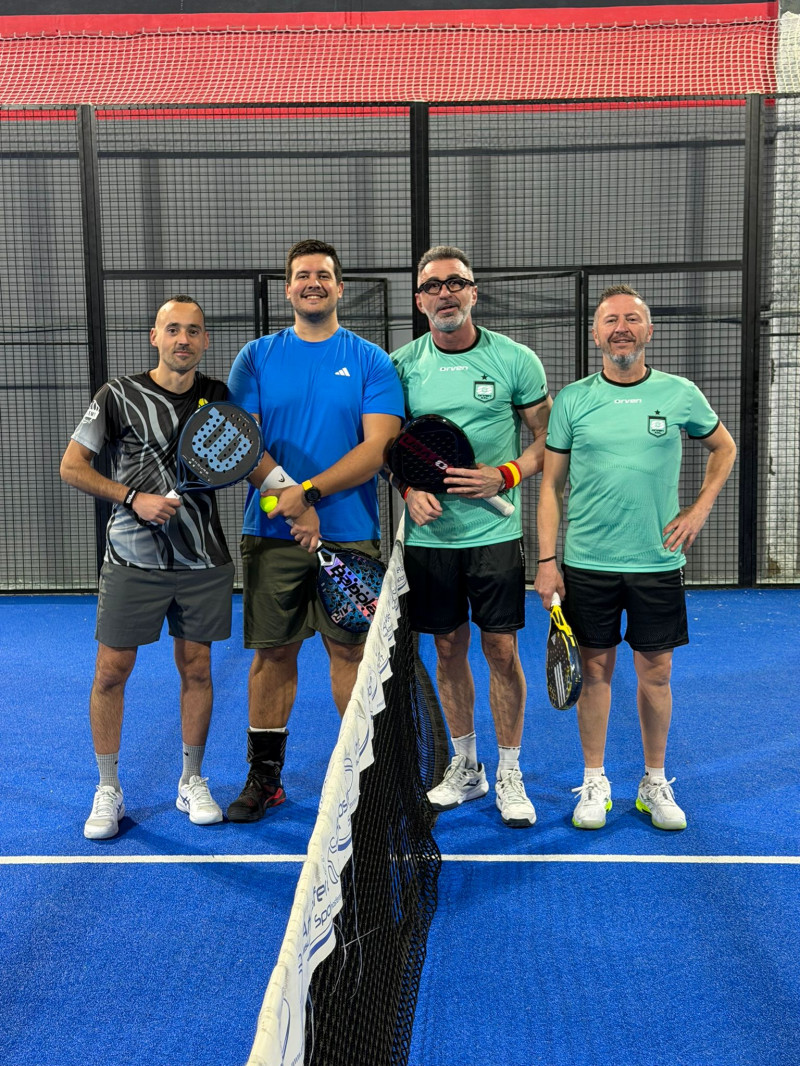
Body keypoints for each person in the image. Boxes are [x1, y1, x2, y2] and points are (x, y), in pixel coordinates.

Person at [534, 284, 737, 831]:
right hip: (587, 562)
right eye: (610, 321)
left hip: (656, 562)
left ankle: (653, 782)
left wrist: (698, 510)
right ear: (595, 334)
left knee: (658, 674)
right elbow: (550, 486)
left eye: (631, 319)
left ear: (649, 331)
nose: (620, 328)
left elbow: (724, 447)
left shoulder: (680, 393)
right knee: (594, 671)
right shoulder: (573, 400)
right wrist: (547, 561)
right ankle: (594, 781)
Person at [225, 239, 404, 823]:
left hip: (350, 534)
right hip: (272, 533)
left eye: (323, 275)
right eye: (302, 275)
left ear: (339, 287)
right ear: (288, 289)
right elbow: (241, 441)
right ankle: (265, 779)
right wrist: (293, 503)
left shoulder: (371, 360)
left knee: (349, 652)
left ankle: (362, 777)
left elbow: (378, 448)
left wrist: (309, 494)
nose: (313, 283)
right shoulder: (256, 357)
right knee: (273, 654)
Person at [60, 295, 234, 840]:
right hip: (132, 559)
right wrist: (133, 497)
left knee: (197, 669)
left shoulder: (219, 397)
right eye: (173, 329)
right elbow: (72, 467)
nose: (184, 339)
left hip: (203, 559)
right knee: (111, 671)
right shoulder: (117, 395)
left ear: (205, 341)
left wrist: (294, 500)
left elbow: (244, 458)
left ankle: (191, 779)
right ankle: (108, 787)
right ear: (153, 337)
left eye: (194, 331)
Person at [390, 245, 552, 828]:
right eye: (433, 286)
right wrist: (407, 489)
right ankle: (466, 767)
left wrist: (505, 474)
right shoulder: (400, 366)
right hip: (430, 539)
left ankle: (509, 770)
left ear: (474, 292)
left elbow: (550, 441)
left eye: (455, 283)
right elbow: (387, 448)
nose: (445, 294)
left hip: (494, 536)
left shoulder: (515, 360)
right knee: (447, 648)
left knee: (501, 650)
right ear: (419, 301)